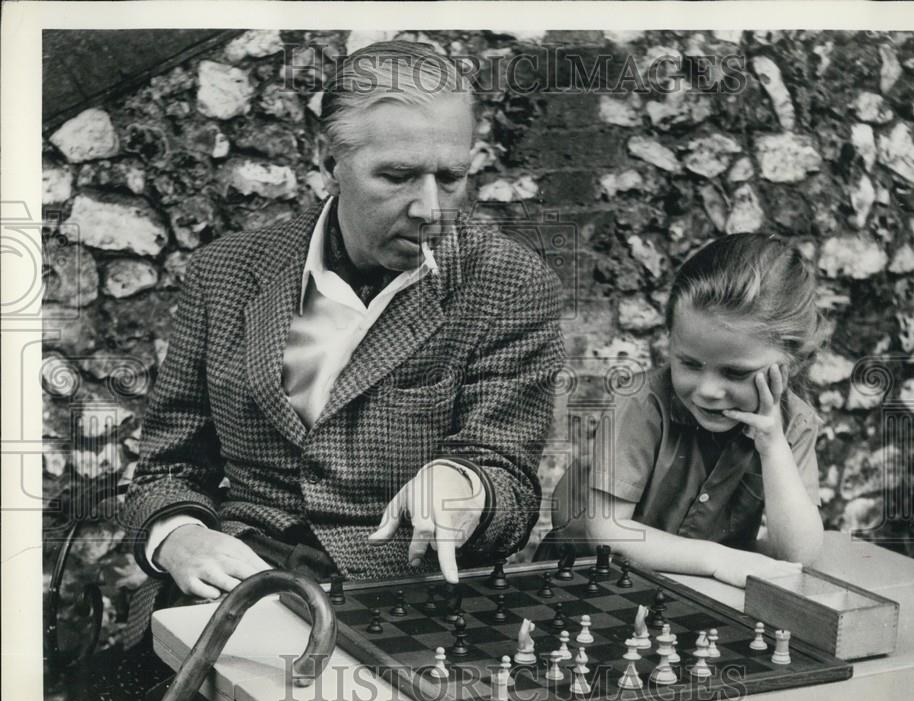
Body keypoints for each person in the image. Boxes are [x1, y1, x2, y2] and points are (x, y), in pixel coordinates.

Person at [121, 41, 565, 648]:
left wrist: (469, 488)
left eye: (451, 177)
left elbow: (508, 481)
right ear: (328, 159)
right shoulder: (223, 273)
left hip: (405, 601)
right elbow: (169, 467)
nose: (430, 209)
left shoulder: (509, 284)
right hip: (237, 583)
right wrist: (179, 537)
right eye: (397, 176)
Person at [537, 234, 823, 587]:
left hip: (690, 590)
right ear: (670, 340)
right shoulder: (641, 402)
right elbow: (607, 531)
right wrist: (717, 558)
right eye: (689, 363)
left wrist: (773, 447)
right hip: (583, 578)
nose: (707, 391)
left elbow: (799, 555)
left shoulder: (795, 423)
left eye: (736, 373)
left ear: (793, 364)